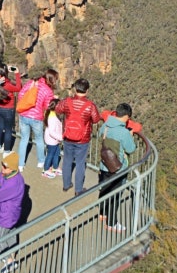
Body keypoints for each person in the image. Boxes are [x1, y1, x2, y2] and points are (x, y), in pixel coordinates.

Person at [55, 78, 100, 195]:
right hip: (83, 139)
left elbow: (58, 109)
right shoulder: (90, 106)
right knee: (80, 163)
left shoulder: (67, 101)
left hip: (68, 136)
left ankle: (66, 185)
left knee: (67, 160)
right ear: (87, 90)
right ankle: (78, 189)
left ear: (75, 88)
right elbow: (95, 119)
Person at [97, 102, 137, 233]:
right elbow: (131, 149)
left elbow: (99, 136)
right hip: (118, 168)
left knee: (104, 189)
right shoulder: (124, 132)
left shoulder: (106, 125)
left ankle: (102, 213)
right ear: (126, 116)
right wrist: (130, 137)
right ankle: (112, 223)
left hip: (104, 164)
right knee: (115, 195)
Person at [15, 69, 58, 173]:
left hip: (24, 114)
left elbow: (21, 94)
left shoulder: (32, 82)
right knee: (39, 139)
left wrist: (28, 103)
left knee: (24, 139)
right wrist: (54, 99)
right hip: (36, 117)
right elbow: (48, 106)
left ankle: (20, 164)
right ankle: (41, 161)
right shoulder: (48, 91)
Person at [0, 150, 24, 273]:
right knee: (11, 233)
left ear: (12, 168)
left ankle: (8, 260)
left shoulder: (13, 183)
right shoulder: (9, 175)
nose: (2, 168)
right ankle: (12, 256)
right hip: (11, 212)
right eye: (2, 165)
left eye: (5, 166)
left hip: (7, 214)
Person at [0, 61, 22, 156]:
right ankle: (6, 151)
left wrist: (2, 70)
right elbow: (18, 87)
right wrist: (17, 73)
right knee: (8, 130)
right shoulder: (7, 85)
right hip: (9, 109)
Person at [42, 98, 63, 179]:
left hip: (54, 140)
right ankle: (46, 169)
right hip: (52, 140)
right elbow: (52, 132)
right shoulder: (52, 118)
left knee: (56, 153)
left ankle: (55, 167)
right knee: (50, 154)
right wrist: (60, 137)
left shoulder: (51, 114)